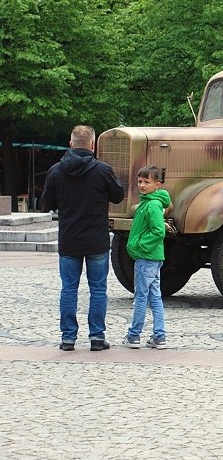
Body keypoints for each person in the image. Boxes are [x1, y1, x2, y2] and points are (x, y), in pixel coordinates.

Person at [42, 125, 124, 351]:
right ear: (93, 145)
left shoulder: (56, 171)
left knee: (69, 288)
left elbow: (47, 204)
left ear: (70, 144)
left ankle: (68, 338)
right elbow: (118, 196)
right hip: (96, 239)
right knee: (98, 289)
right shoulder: (102, 170)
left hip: (69, 240)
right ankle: (97, 337)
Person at [122, 166, 171, 349]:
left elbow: (158, 231)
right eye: (140, 181)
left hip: (146, 257)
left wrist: (139, 245)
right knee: (154, 296)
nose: (142, 185)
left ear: (157, 185)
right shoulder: (150, 203)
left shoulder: (152, 205)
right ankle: (159, 336)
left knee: (141, 296)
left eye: (146, 182)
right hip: (152, 256)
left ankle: (134, 335)